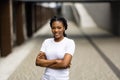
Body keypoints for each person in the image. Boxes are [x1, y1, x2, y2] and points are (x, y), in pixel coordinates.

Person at [35, 16, 75, 80]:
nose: (56, 30)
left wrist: (45, 63)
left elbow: (64, 64)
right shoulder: (46, 42)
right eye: (53, 28)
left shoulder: (69, 42)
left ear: (64, 28)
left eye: (59, 28)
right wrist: (56, 61)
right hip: (46, 78)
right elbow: (38, 62)